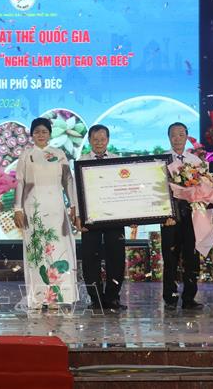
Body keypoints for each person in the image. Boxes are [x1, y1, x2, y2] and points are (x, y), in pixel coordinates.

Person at [14, 117, 78, 311]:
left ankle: (56, 297)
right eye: (37, 132)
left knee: (57, 248)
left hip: (56, 208)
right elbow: (19, 182)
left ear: (50, 134)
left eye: (44, 131)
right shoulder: (26, 155)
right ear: (32, 134)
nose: (40, 135)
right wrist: (17, 209)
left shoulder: (59, 154)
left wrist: (73, 205)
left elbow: (68, 180)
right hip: (33, 209)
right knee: (36, 251)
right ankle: (38, 297)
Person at [77, 125, 127, 311]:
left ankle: (113, 298)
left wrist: (131, 213)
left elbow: (125, 189)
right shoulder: (81, 162)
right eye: (95, 139)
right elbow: (75, 191)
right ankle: (96, 299)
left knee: (116, 257)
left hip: (115, 216)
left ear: (108, 140)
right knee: (90, 258)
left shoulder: (117, 161)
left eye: (102, 139)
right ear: (89, 140)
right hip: (90, 216)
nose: (99, 143)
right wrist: (78, 216)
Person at [161, 122, 203, 311]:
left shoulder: (195, 160)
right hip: (169, 215)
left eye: (181, 134)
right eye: (173, 135)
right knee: (170, 257)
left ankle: (189, 298)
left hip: (191, 214)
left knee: (191, 257)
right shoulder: (162, 160)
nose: (177, 138)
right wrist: (165, 213)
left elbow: (204, 186)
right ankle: (170, 297)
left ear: (187, 136)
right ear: (168, 137)